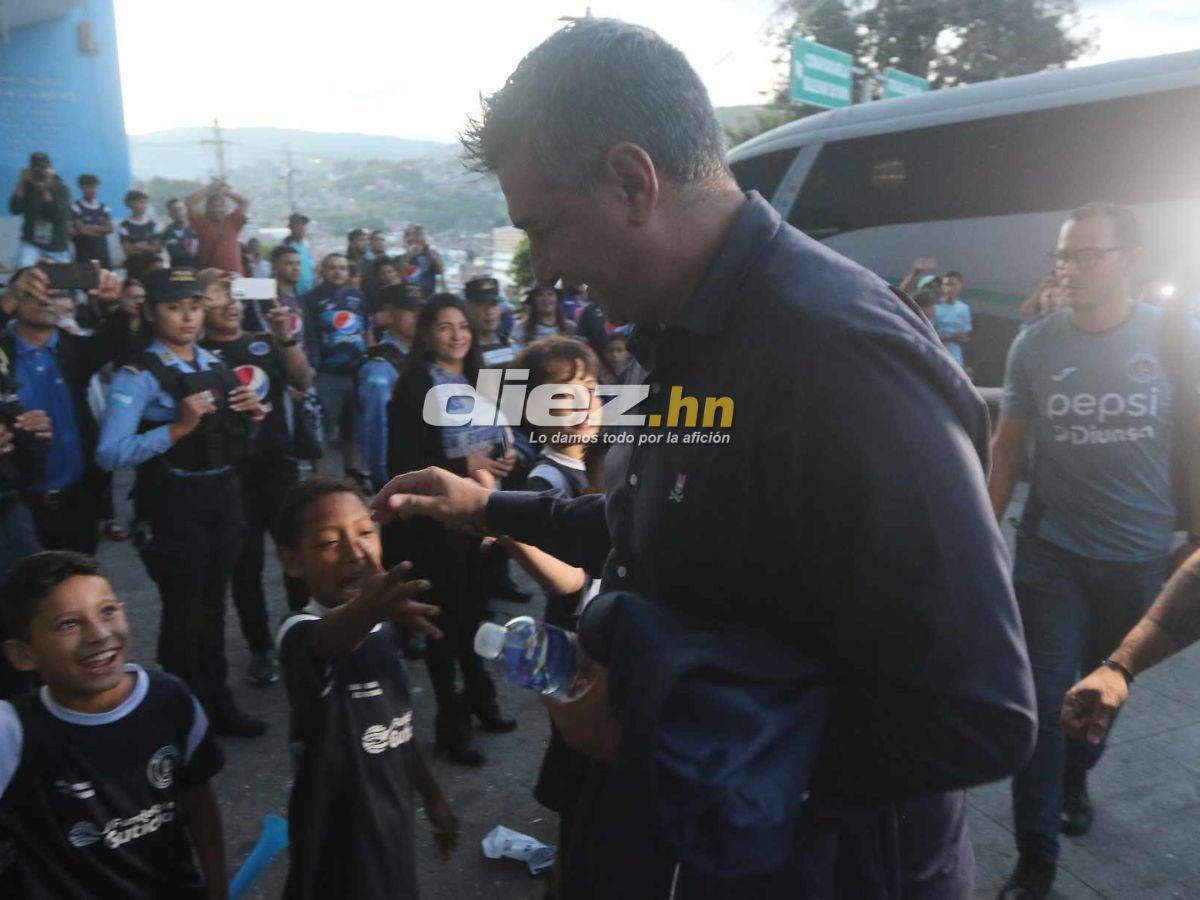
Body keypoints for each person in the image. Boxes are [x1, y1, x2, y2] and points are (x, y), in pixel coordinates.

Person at [374, 18, 1035, 898]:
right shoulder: (671, 333)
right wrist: (490, 508)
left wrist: (661, 732)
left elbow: (976, 716)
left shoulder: (840, 357)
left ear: (631, 180)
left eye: (546, 229)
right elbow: (655, 525)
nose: (547, 272)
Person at [988, 203, 1199, 899]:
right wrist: (983, 534)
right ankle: (1035, 859)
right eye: (1063, 257)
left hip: (1140, 555)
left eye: (1086, 256)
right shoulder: (1036, 344)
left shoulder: (1176, 336)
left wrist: (1195, 538)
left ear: (1130, 260)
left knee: (1103, 689)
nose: (1069, 270)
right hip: (1051, 553)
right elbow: (1007, 448)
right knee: (1045, 701)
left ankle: (1077, 777)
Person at [96, 267, 268, 738]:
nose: (188, 317)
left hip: (223, 496)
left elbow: (234, 432)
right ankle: (178, 716)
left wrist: (252, 415)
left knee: (214, 606)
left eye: (194, 307)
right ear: (152, 313)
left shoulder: (213, 362)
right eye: (175, 308)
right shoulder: (138, 376)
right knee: (183, 611)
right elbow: (109, 453)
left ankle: (218, 705)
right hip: (174, 502)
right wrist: (175, 429)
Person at [0, 551, 228, 898]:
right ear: (23, 654)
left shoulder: (170, 699)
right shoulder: (13, 731)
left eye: (107, 611)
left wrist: (218, 890)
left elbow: (200, 805)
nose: (98, 634)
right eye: (68, 624)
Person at [273, 477, 457, 898]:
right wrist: (369, 609)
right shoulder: (300, 633)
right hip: (336, 858)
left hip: (391, 836)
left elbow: (396, 727)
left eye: (365, 532)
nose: (355, 553)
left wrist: (432, 796)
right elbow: (328, 638)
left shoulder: (381, 627)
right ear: (292, 561)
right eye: (328, 542)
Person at [385, 294, 518, 766]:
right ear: (426, 334)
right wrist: (465, 464)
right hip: (437, 525)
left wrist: (506, 459)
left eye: (463, 325)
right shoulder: (413, 385)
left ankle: (482, 699)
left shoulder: (481, 378)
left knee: (478, 614)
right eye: (445, 327)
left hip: (482, 518)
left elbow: (500, 436)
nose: (457, 335)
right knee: (445, 624)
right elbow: (402, 461)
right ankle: (450, 723)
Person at [200, 274, 312, 685]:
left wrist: (285, 338)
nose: (230, 304)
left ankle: (304, 629)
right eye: (218, 297)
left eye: (236, 295)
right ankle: (261, 647)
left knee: (297, 552)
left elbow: (303, 380)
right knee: (245, 565)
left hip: (277, 465)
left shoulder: (264, 341)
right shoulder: (196, 353)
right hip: (230, 472)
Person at [1, 266, 130, 554]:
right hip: (15, 505)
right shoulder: (3, 350)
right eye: (32, 292)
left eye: (55, 292)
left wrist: (112, 303)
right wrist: (5, 302)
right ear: (15, 299)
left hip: (79, 498)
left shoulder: (75, 349)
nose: (44, 298)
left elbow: (119, 340)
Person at [302, 253, 371, 476]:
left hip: (357, 372)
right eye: (332, 267)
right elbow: (307, 334)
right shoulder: (310, 298)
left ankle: (352, 473)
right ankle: (320, 478)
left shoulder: (358, 296)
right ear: (323, 270)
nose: (338, 272)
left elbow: (367, 330)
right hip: (326, 373)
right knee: (322, 429)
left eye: (342, 267)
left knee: (351, 428)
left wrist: (371, 358)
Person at [355, 283, 422, 494]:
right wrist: (387, 479)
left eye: (421, 310)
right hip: (401, 476)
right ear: (388, 316)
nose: (418, 316)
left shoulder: (422, 356)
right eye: (409, 310)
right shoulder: (380, 367)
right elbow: (377, 429)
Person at [9, 152, 72, 267]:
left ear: (51, 170)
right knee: (25, 269)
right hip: (32, 244)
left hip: (57, 246)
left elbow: (57, 215)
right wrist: (21, 182)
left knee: (65, 277)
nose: (39, 173)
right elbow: (15, 209)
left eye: (43, 169)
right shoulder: (27, 187)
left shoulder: (62, 189)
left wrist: (44, 190)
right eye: (36, 169)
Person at [185, 181, 249, 273]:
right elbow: (188, 203)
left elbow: (244, 203)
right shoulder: (201, 222)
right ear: (207, 208)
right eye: (213, 206)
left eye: (220, 206)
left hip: (233, 273)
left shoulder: (233, 221)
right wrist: (208, 189)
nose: (217, 209)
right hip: (209, 274)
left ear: (226, 208)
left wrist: (226, 192)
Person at [465, 277, 518, 368]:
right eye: (480, 305)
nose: (489, 311)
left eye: (494, 304)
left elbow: (519, 377)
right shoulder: (463, 350)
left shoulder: (508, 343)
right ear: (469, 309)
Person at [70, 174, 114, 269]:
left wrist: (89, 227)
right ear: (81, 188)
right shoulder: (76, 206)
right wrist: (101, 230)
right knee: (87, 277)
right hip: (84, 253)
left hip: (102, 253)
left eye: (95, 187)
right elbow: (82, 231)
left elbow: (110, 229)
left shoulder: (104, 207)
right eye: (88, 187)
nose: (92, 190)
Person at [933, 270, 971, 368]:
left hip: (955, 358)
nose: (949, 288)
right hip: (936, 356)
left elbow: (965, 336)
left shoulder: (964, 308)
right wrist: (950, 337)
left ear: (960, 286)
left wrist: (962, 337)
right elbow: (928, 335)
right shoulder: (934, 307)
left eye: (952, 285)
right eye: (946, 285)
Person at [118, 190, 162, 262]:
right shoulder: (124, 226)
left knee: (159, 265)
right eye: (141, 202)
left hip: (152, 260)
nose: (144, 206)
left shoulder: (153, 224)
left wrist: (137, 246)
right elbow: (128, 251)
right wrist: (149, 248)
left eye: (145, 203)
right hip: (134, 261)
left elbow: (158, 248)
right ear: (131, 204)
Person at [403, 225, 443, 299]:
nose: (415, 245)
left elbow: (440, 270)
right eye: (410, 242)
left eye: (417, 241)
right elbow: (409, 282)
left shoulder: (430, 254)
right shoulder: (404, 259)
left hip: (430, 296)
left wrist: (428, 252)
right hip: (414, 298)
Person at [161, 198, 201, 267]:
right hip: (175, 270)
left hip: (198, 270)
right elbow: (158, 249)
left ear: (186, 210)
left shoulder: (198, 228)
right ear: (170, 214)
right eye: (174, 210)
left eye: (180, 209)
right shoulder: (166, 232)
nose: (178, 213)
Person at [283, 213, 315, 295]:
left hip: (309, 293)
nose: (301, 228)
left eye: (303, 225)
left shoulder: (306, 247)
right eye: (298, 225)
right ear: (290, 227)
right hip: (292, 294)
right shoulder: (285, 247)